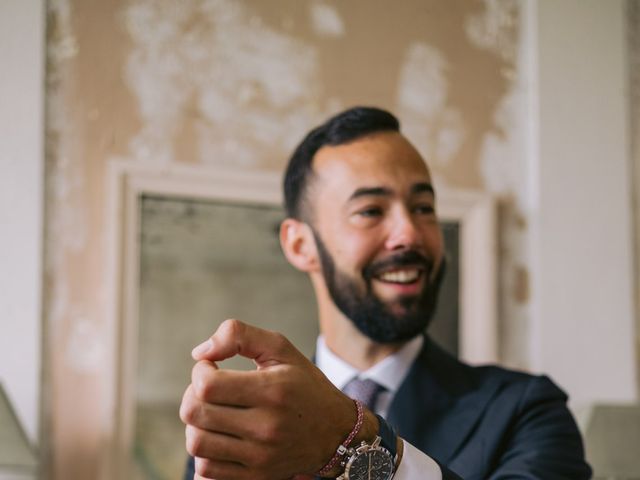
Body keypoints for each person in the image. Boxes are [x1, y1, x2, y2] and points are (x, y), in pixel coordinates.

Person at [180, 107, 591, 480]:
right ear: (300, 245)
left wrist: (353, 441)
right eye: (371, 211)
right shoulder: (245, 427)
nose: (410, 234)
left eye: (424, 208)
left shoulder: (525, 410)